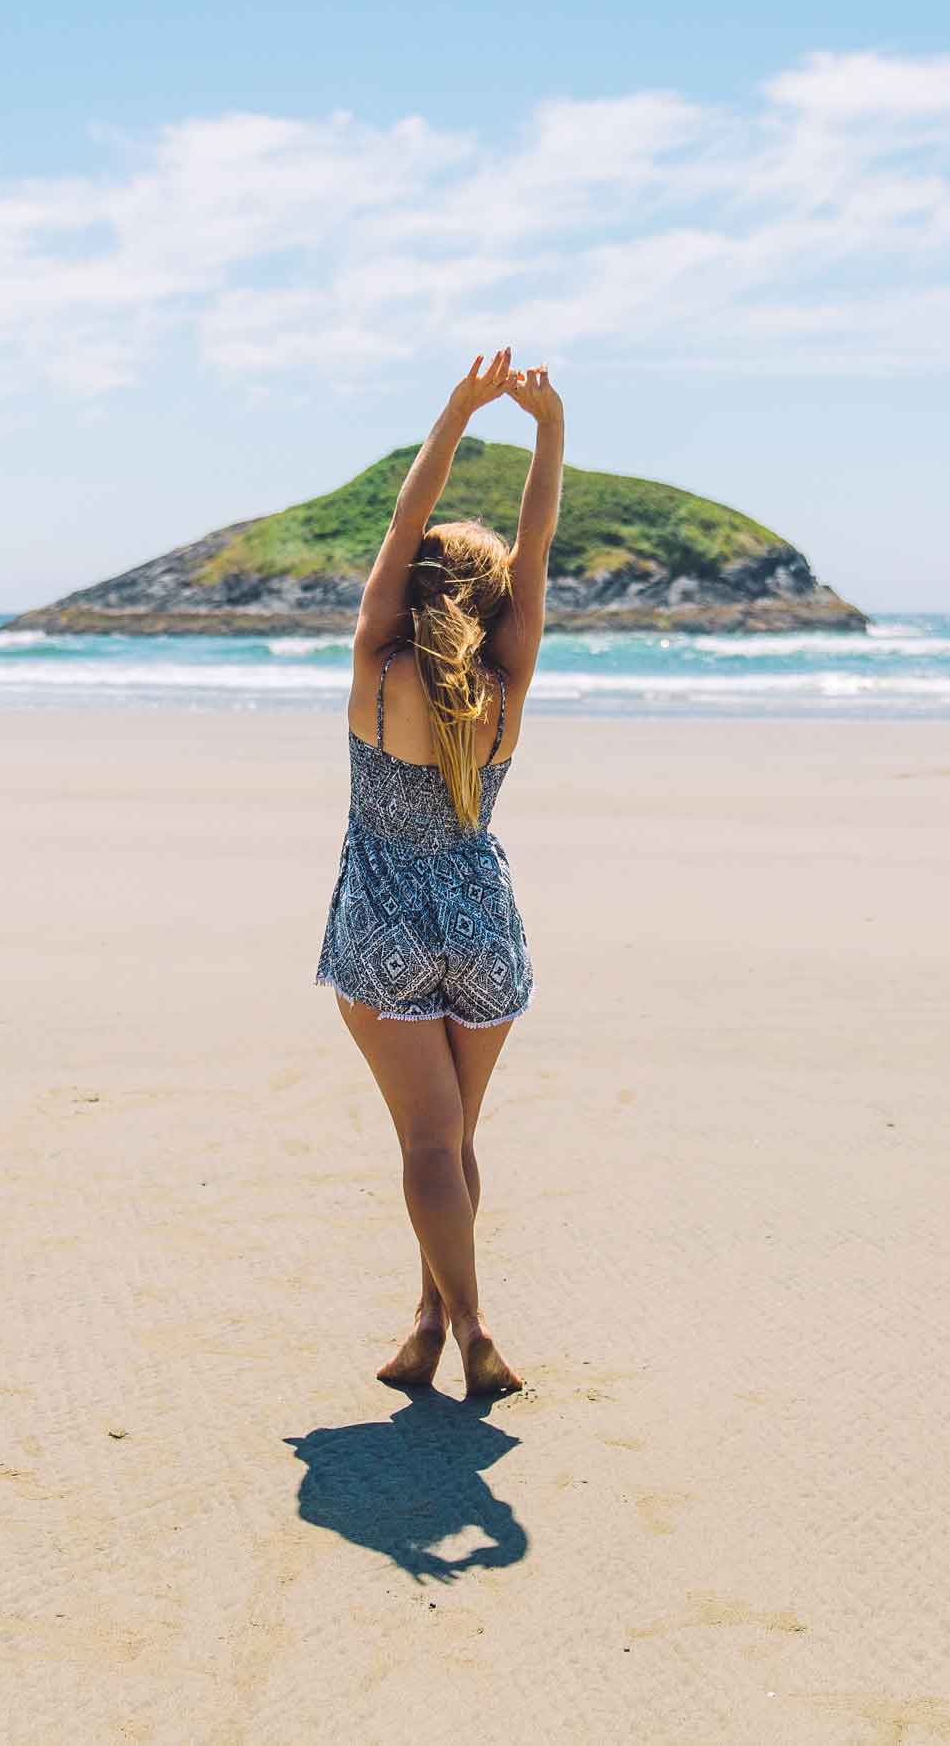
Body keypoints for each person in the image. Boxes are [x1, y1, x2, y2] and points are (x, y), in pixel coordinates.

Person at [313, 347, 562, 1397]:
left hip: (385, 922)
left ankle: (470, 1327)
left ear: (413, 588)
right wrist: (550, 430)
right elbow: (537, 548)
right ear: (496, 599)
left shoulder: (378, 662)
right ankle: (426, 1319)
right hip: (482, 920)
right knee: (455, 1142)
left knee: (426, 1142)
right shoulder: (508, 678)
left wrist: (456, 413)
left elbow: (397, 531)